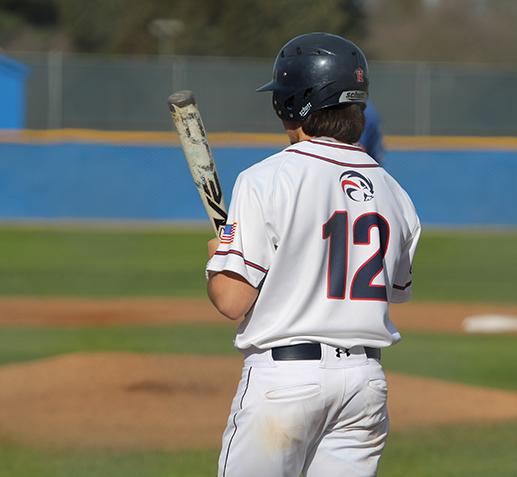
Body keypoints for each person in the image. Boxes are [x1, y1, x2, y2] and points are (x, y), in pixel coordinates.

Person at [205, 32, 420, 477]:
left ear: (289, 105)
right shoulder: (395, 192)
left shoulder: (268, 177)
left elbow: (232, 301)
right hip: (364, 390)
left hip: (285, 384)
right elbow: (393, 289)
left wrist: (219, 258)